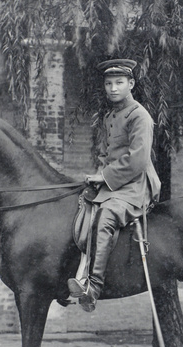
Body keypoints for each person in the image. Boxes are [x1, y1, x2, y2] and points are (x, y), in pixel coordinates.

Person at [67, 58, 161, 312]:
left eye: (119, 82)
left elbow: (138, 158)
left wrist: (106, 176)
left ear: (131, 83)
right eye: (108, 83)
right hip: (115, 182)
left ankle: (93, 287)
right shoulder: (111, 115)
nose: (113, 88)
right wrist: (99, 174)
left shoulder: (139, 115)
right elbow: (107, 154)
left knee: (106, 215)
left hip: (136, 184)